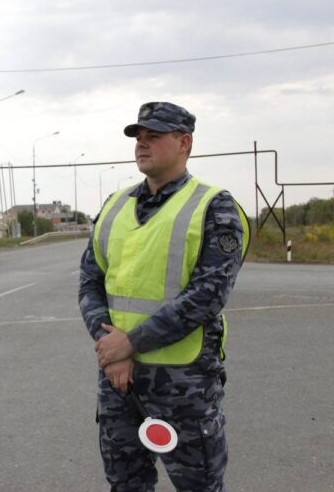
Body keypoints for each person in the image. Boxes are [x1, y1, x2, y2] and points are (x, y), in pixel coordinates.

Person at [79, 102, 250, 491]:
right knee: (126, 484)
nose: (141, 143)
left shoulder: (214, 206)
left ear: (184, 143)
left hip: (184, 386)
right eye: (138, 136)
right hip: (119, 383)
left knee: (200, 486)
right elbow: (90, 281)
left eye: (153, 136)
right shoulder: (115, 205)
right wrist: (111, 349)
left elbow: (208, 295)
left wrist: (128, 344)